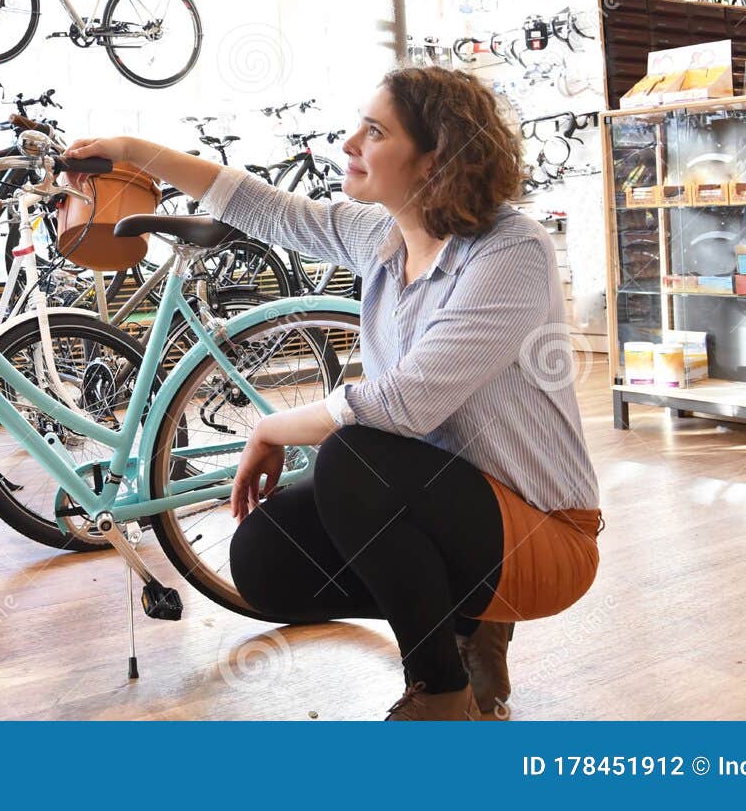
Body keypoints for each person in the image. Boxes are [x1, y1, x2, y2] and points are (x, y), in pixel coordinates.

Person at [67, 66, 603, 721]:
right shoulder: (379, 236)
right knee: (265, 558)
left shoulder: (510, 248)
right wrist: (129, 149)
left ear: (436, 157)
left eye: (374, 131)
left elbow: (406, 403)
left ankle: (441, 696)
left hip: (544, 532)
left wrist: (270, 427)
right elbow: (261, 207)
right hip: (442, 505)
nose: (350, 143)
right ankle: (465, 626)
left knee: (355, 454)